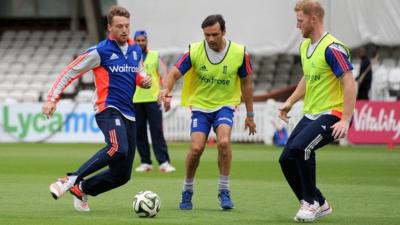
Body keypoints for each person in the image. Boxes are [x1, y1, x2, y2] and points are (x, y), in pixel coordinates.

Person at [42, 5, 152, 212]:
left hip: (129, 112)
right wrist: (51, 99)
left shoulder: (136, 51)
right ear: (109, 27)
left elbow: (138, 74)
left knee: (122, 175)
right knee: (118, 147)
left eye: (127, 26)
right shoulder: (100, 51)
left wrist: (144, 81)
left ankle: (81, 188)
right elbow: (69, 72)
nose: (124, 30)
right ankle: (70, 179)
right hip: (107, 109)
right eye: (119, 26)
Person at [160, 14, 256, 210]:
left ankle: (224, 191)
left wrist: (250, 115)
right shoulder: (194, 50)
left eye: (215, 34)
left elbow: (246, 83)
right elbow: (174, 73)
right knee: (196, 149)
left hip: (225, 105)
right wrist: (166, 90)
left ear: (224, 32)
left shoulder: (239, 53)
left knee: (223, 142)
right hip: (201, 107)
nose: (211, 39)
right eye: (207, 35)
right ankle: (187, 190)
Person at [278, 0, 357, 222]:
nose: (297, 26)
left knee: (301, 148)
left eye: (300, 21)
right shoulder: (305, 46)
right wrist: (290, 101)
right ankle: (320, 202)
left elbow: (350, 83)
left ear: (314, 19)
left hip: (333, 114)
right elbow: (307, 77)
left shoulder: (333, 48)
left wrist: (345, 119)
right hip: (312, 113)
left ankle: (310, 203)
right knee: (286, 159)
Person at [132, 30, 176, 173]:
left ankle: (164, 162)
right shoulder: (129, 57)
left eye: (142, 40)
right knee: (139, 132)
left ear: (147, 41)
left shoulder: (155, 56)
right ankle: (145, 162)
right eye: (137, 41)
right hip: (135, 100)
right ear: (134, 41)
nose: (140, 43)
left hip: (153, 99)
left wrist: (167, 98)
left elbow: (165, 77)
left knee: (157, 131)